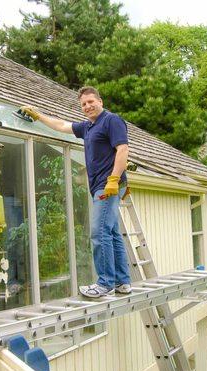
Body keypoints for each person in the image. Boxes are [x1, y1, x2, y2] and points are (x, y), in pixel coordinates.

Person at [21, 86, 131, 298]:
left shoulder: (112, 120)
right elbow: (62, 125)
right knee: (113, 234)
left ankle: (105, 283)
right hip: (101, 184)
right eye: (83, 104)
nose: (88, 106)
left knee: (98, 233)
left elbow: (123, 149)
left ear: (100, 101)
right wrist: (38, 115)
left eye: (91, 102)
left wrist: (114, 180)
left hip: (108, 185)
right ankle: (122, 282)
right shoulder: (88, 127)